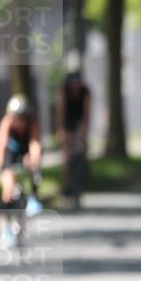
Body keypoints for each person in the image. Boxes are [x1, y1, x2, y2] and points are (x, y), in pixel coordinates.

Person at [0, 94, 42, 242]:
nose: (18, 122)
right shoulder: (7, 123)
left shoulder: (32, 124)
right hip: (11, 153)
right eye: (15, 118)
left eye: (21, 118)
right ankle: (6, 226)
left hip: (25, 151)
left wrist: (35, 163)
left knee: (33, 168)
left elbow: (35, 144)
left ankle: (33, 198)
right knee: (8, 186)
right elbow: (1, 146)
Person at [55, 72, 91, 205]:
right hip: (67, 121)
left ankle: (84, 178)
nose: (76, 87)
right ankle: (66, 184)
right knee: (67, 155)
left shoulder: (86, 92)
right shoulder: (64, 92)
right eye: (73, 85)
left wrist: (84, 131)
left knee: (83, 149)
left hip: (79, 121)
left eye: (78, 84)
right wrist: (61, 131)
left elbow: (87, 113)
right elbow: (60, 112)